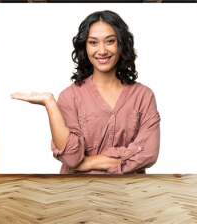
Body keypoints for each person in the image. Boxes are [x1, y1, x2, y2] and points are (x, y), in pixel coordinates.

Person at [11, 10, 160, 174]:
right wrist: (50, 103)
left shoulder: (143, 96)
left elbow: (148, 153)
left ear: (121, 44)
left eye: (110, 41)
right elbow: (71, 158)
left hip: (127, 194)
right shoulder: (70, 96)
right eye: (93, 42)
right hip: (78, 194)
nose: (102, 51)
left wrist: (89, 163)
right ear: (85, 47)